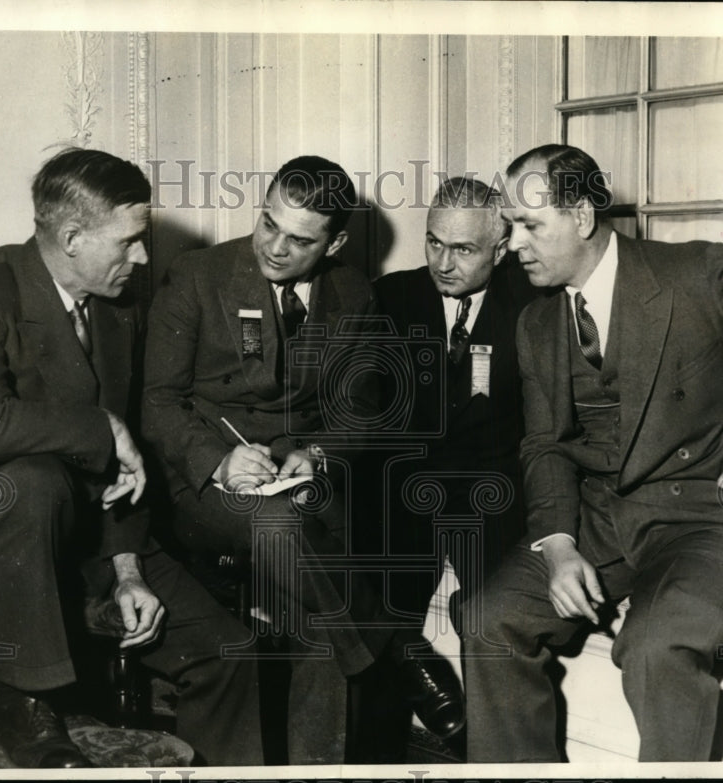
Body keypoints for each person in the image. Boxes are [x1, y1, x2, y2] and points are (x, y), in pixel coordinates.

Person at [461, 143, 723, 762]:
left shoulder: (698, 274)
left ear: (581, 216)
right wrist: (556, 543)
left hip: (719, 519)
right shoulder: (536, 325)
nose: (514, 245)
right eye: (510, 227)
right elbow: (545, 445)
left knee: (655, 645)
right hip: (606, 521)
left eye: (529, 226)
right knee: (487, 618)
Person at [0, 148, 263, 768]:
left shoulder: (117, 309)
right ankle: (26, 698)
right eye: (129, 242)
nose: (143, 258)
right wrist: (102, 426)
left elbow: (123, 467)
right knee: (36, 479)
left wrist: (127, 567)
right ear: (71, 237)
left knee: (229, 651)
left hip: (82, 532)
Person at [141, 155, 464, 764]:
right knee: (285, 529)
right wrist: (218, 460)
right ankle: (398, 651)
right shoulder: (197, 276)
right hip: (205, 485)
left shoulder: (351, 292)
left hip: (301, 477)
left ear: (335, 241)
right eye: (269, 224)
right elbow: (157, 402)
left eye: (299, 239)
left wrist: (316, 452)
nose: (276, 248)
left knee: (320, 601)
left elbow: (362, 410)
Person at [373, 176, 536, 641]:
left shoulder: (533, 305)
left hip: (496, 497)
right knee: (378, 625)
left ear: (500, 250)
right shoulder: (388, 298)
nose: (442, 264)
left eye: (463, 250)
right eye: (434, 243)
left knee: (495, 624)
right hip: (404, 495)